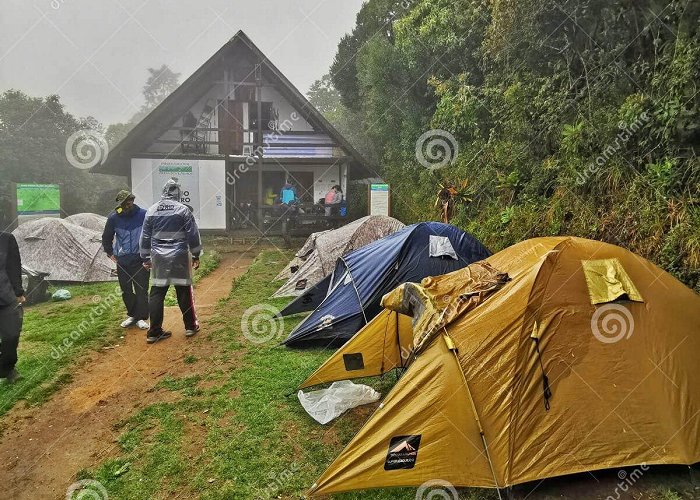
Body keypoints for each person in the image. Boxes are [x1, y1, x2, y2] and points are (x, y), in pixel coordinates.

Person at [140, 178, 202, 344]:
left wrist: (145, 258)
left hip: (158, 257)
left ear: (163, 191)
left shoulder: (151, 211)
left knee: (157, 293)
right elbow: (192, 235)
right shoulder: (183, 210)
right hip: (179, 256)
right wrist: (196, 254)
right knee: (183, 290)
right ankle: (190, 327)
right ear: (178, 193)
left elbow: (145, 237)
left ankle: (153, 331)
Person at [102, 191, 150, 330]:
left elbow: (152, 234)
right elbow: (106, 237)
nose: (125, 205)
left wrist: (150, 255)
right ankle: (133, 315)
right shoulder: (114, 217)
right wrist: (110, 253)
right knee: (126, 290)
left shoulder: (144, 215)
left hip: (140, 259)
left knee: (141, 289)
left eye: (127, 202)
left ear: (133, 200)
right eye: (122, 203)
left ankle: (141, 317)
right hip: (122, 260)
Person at [0, 231, 26, 383]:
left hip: (6, 295)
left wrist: (18, 291)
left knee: (12, 334)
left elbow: (14, 266)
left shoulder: (6, 239)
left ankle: (7, 366)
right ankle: (8, 370)